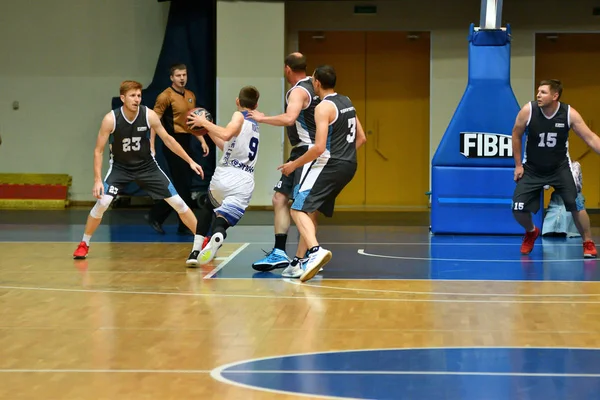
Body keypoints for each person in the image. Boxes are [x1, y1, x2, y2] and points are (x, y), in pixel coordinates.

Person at [72, 80, 204, 259]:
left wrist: (190, 161)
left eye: (139, 96)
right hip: (120, 168)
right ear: (123, 98)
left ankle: (203, 240)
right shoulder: (111, 119)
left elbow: (168, 139)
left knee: (179, 203)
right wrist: (97, 179)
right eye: (132, 96)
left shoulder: (149, 115)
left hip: (147, 167)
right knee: (102, 203)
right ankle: (84, 243)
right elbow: (98, 151)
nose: (136, 99)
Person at [278, 65, 366, 282]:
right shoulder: (347, 101)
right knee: (308, 210)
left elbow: (318, 148)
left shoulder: (323, 108)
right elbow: (361, 138)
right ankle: (298, 262)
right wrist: (344, 155)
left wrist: (293, 165)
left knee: (297, 209)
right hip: (349, 165)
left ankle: (315, 251)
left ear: (316, 82)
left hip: (330, 164)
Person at [247, 52, 320, 273]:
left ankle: (308, 256)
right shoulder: (314, 87)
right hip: (301, 152)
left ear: (287, 68)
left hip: (308, 153)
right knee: (279, 198)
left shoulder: (298, 90)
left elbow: (289, 118)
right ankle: (279, 252)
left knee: (305, 207)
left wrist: (262, 118)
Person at [511, 79, 598, 257]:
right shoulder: (528, 111)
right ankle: (531, 231)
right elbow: (516, 134)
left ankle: (587, 242)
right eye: (538, 91)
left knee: (576, 205)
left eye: (543, 92)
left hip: (559, 168)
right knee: (518, 208)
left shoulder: (569, 113)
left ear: (555, 95)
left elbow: (590, 138)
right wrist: (518, 165)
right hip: (533, 169)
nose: (538, 95)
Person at [184, 86, 260, 266]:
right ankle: (218, 234)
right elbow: (226, 143)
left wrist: (204, 123)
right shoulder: (255, 124)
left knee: (208, 206)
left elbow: (226, 135)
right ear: (256, 105)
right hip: (244, 179)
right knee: (224, 219)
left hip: (224, 175)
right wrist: (207, 129)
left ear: (237, 101)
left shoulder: (238, 116)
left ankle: (195, 251)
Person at [146, 63, 210, 235]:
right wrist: (152, 144)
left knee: (184, 184)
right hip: (171, 142)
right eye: (178, 75)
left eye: (184, 75)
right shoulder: (165, 96)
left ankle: (159, 215)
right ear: (172, 78)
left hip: (187, 141)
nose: (182, 78)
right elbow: (154, 122)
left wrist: (202, 140)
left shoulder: (190, 95)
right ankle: (166, 219)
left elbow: (192, 122)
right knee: (182, 186)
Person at [542, 161, 591, 238]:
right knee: (548, 230)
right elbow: (546, 186)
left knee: (569, 217)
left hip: (573, 196)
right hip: (557, 199)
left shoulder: (575, 165)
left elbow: (574, 184)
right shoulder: (550, 166)